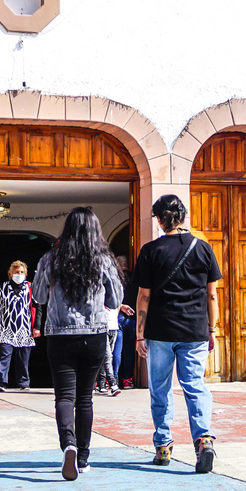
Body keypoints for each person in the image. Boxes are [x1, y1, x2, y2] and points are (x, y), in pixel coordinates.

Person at [33, 207, 123, 480]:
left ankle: (68, 445)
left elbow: (38, 296)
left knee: (64, 397)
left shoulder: (51, 258)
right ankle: (83, 458)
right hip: (94, 335)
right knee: (85, 398)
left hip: (60, 335)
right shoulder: (104, 259)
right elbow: (115, 300)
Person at [133, 194, 221, 473]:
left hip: (160, 330)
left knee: (160, 388)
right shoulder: (204, 248)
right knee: (194, 386)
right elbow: (212, 295)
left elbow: (144, 296)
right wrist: (212, 329)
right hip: (194, 330)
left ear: (160, 220)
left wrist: (139, 334)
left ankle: (163, 446)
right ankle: (203, 441)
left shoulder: (151, 251)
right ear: (183, 216)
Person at [0, 261, 40, 392]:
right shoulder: (3, 287)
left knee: (23, 358)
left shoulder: (30, 287)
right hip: (7, 328)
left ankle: (24, 383)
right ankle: (0, 382)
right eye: (16, 272)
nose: (19, 274)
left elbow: (38, 307)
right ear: (10, 274)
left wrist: (37, 327)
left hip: (24, 328)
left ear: (25, 274)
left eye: (22, 272)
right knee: (4, 356)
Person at [115, 255, 137, 389]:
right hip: (133, 317)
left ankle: (113, 379)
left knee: (115, 349)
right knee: (129, 349)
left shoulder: (115, 277)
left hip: (117, 316)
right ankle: (127, 380)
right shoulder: (135, 278)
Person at [95, 305, 121, 396]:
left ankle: (101, 383)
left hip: (114, 326)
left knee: (105, 358)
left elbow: (118, 305)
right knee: (108, 357)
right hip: (102, 327)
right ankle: (113, 383)